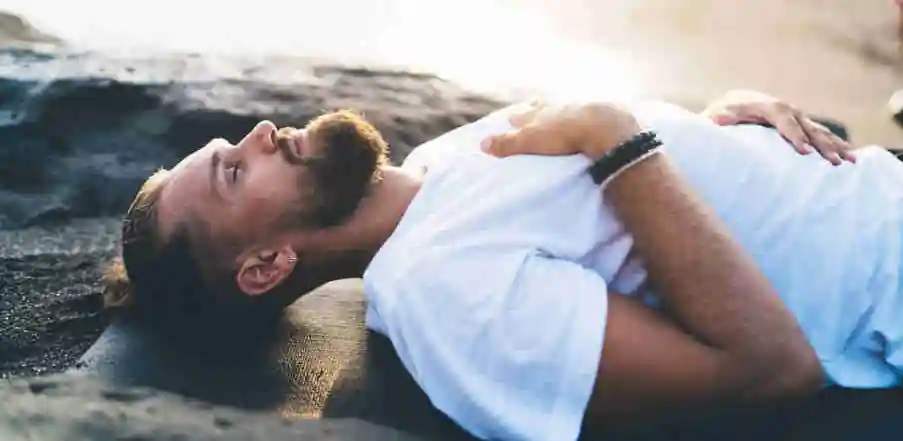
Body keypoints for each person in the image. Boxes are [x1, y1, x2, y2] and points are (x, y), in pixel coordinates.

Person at [102, 89, 900, 441]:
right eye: (234, 172)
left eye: (231, 147)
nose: (263, 130)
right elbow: (766, 368)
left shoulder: (437, 162)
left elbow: (649, 198)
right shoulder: (440, 291)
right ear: (266, 266)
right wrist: (613, 139)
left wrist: (723, 120)